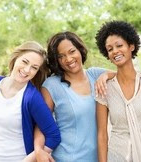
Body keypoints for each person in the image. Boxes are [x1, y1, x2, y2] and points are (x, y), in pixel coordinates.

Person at [34, 31, 115, 162]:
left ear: (80, 50)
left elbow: (125, 76)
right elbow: (42, 123)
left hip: (98, 157)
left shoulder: (95, 75)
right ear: (57, 61)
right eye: (61, 56)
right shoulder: (52, 86)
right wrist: (38, 149)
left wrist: (106, 75)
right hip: (66, 158)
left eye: (72, 51)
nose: (68, 59)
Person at [0, 41, 61, 162]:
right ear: (16, 58)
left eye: (34, 68)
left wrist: (32, 158)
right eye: (25, 62)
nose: (26, 70)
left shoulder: (32, 97)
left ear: (37, 72)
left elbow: (53, 135)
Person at [95, 20, 141, 162]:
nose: (115, 51)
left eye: (119, 45)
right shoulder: (104, 88)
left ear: (131, 46)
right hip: (117, 156)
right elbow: (102, 134)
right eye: (110, 49)